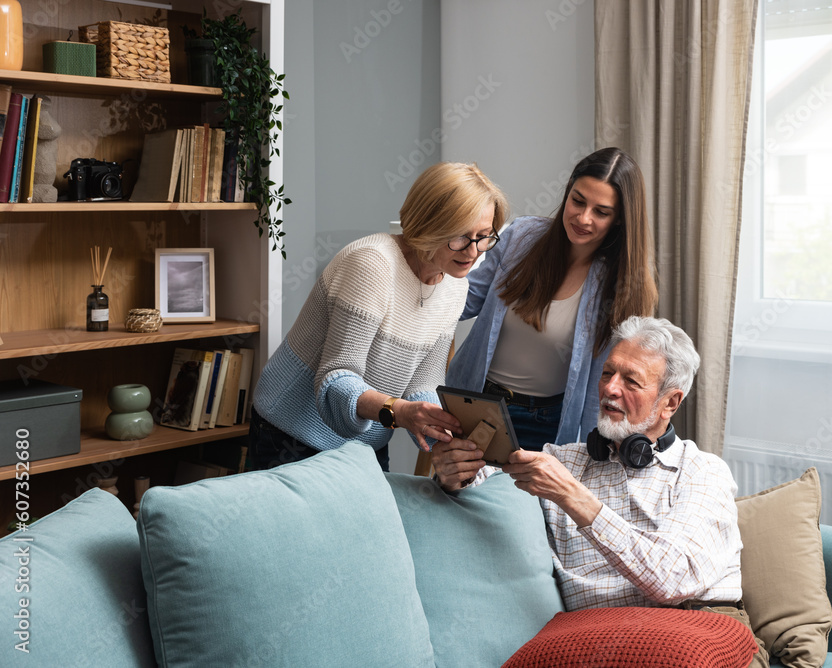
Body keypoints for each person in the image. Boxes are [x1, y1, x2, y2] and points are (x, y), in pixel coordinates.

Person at [433, 316, 769, 667]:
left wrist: (573, 497)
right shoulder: (561, 462)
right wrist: (455, 474)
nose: (610, 388)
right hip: (598, 640)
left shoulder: (702, 471)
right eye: (608, 373)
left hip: (701, 630)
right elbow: (490, 484)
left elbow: (673, 580)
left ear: (670, 403)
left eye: (631, 381)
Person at [249, 162, 509, 472]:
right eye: (461, 237)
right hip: (291, 433)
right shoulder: (373, 264)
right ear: (429, 224)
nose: (474, 251)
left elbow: (423, 383)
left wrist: (445, 435)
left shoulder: (456, 287)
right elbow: (336, 380)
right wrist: (400, 412)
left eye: (484, 236)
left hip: (366, 442)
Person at [445, 147, 657, 451]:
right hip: (478, 406)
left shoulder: (623, 285)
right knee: (454, 494)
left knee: (530, 500)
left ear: (620, 219)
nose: (583, 218)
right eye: (578, 201)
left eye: (601, 212)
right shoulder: (521, 237)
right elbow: (461, 302)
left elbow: (619, 377)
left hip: (548, 424)